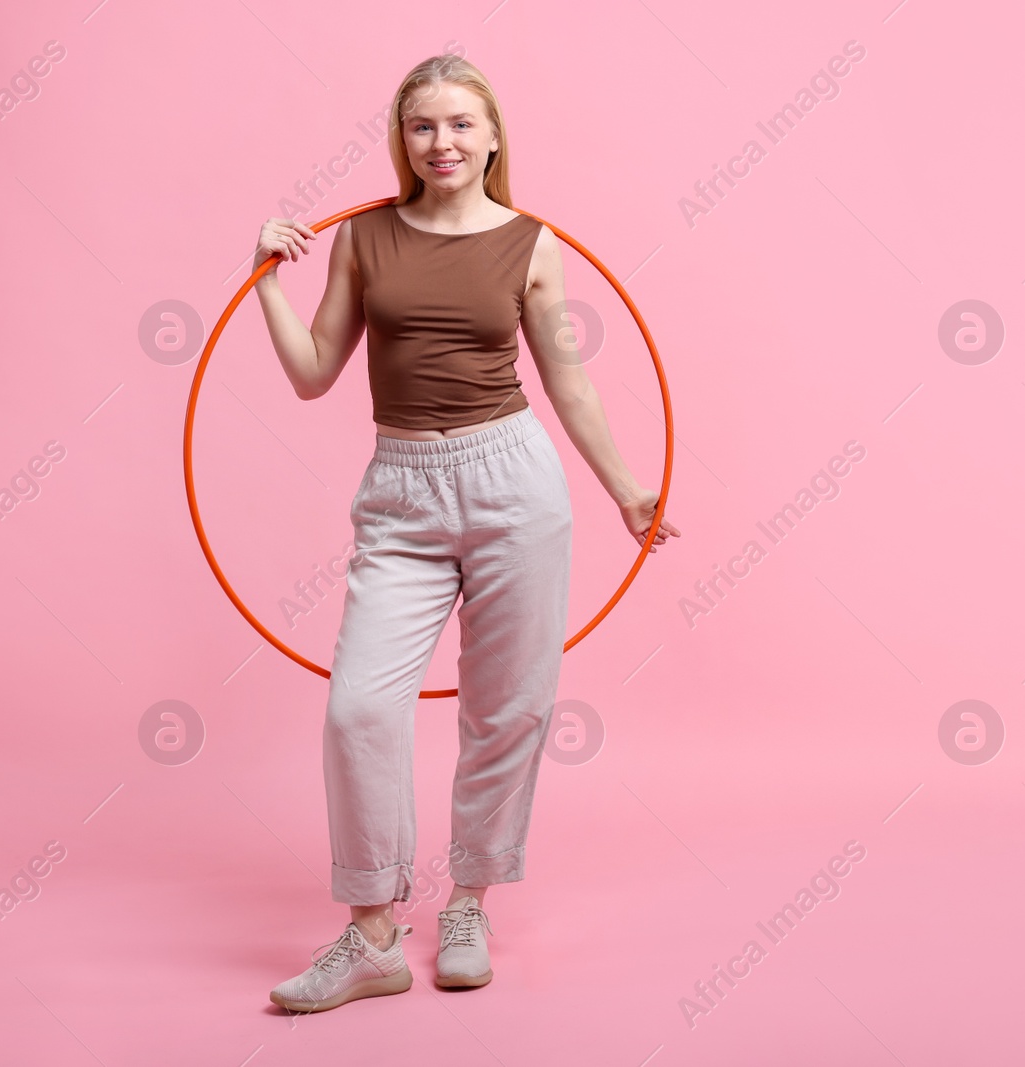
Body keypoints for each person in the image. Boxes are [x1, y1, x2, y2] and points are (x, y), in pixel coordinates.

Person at [252, 54, 680, 1013]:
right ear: (402, 141)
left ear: (492, 137)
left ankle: (469, 905)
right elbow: (315, 372)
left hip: (513, 482)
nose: (441, 142)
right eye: (421, 127)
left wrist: (626, 489)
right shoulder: (361, 237)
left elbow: (566, 377)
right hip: (400, 489)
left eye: (459, 124)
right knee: (360, 707)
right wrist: (267, 284)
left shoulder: (532, 244)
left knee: (508, 706)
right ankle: (370, 937)